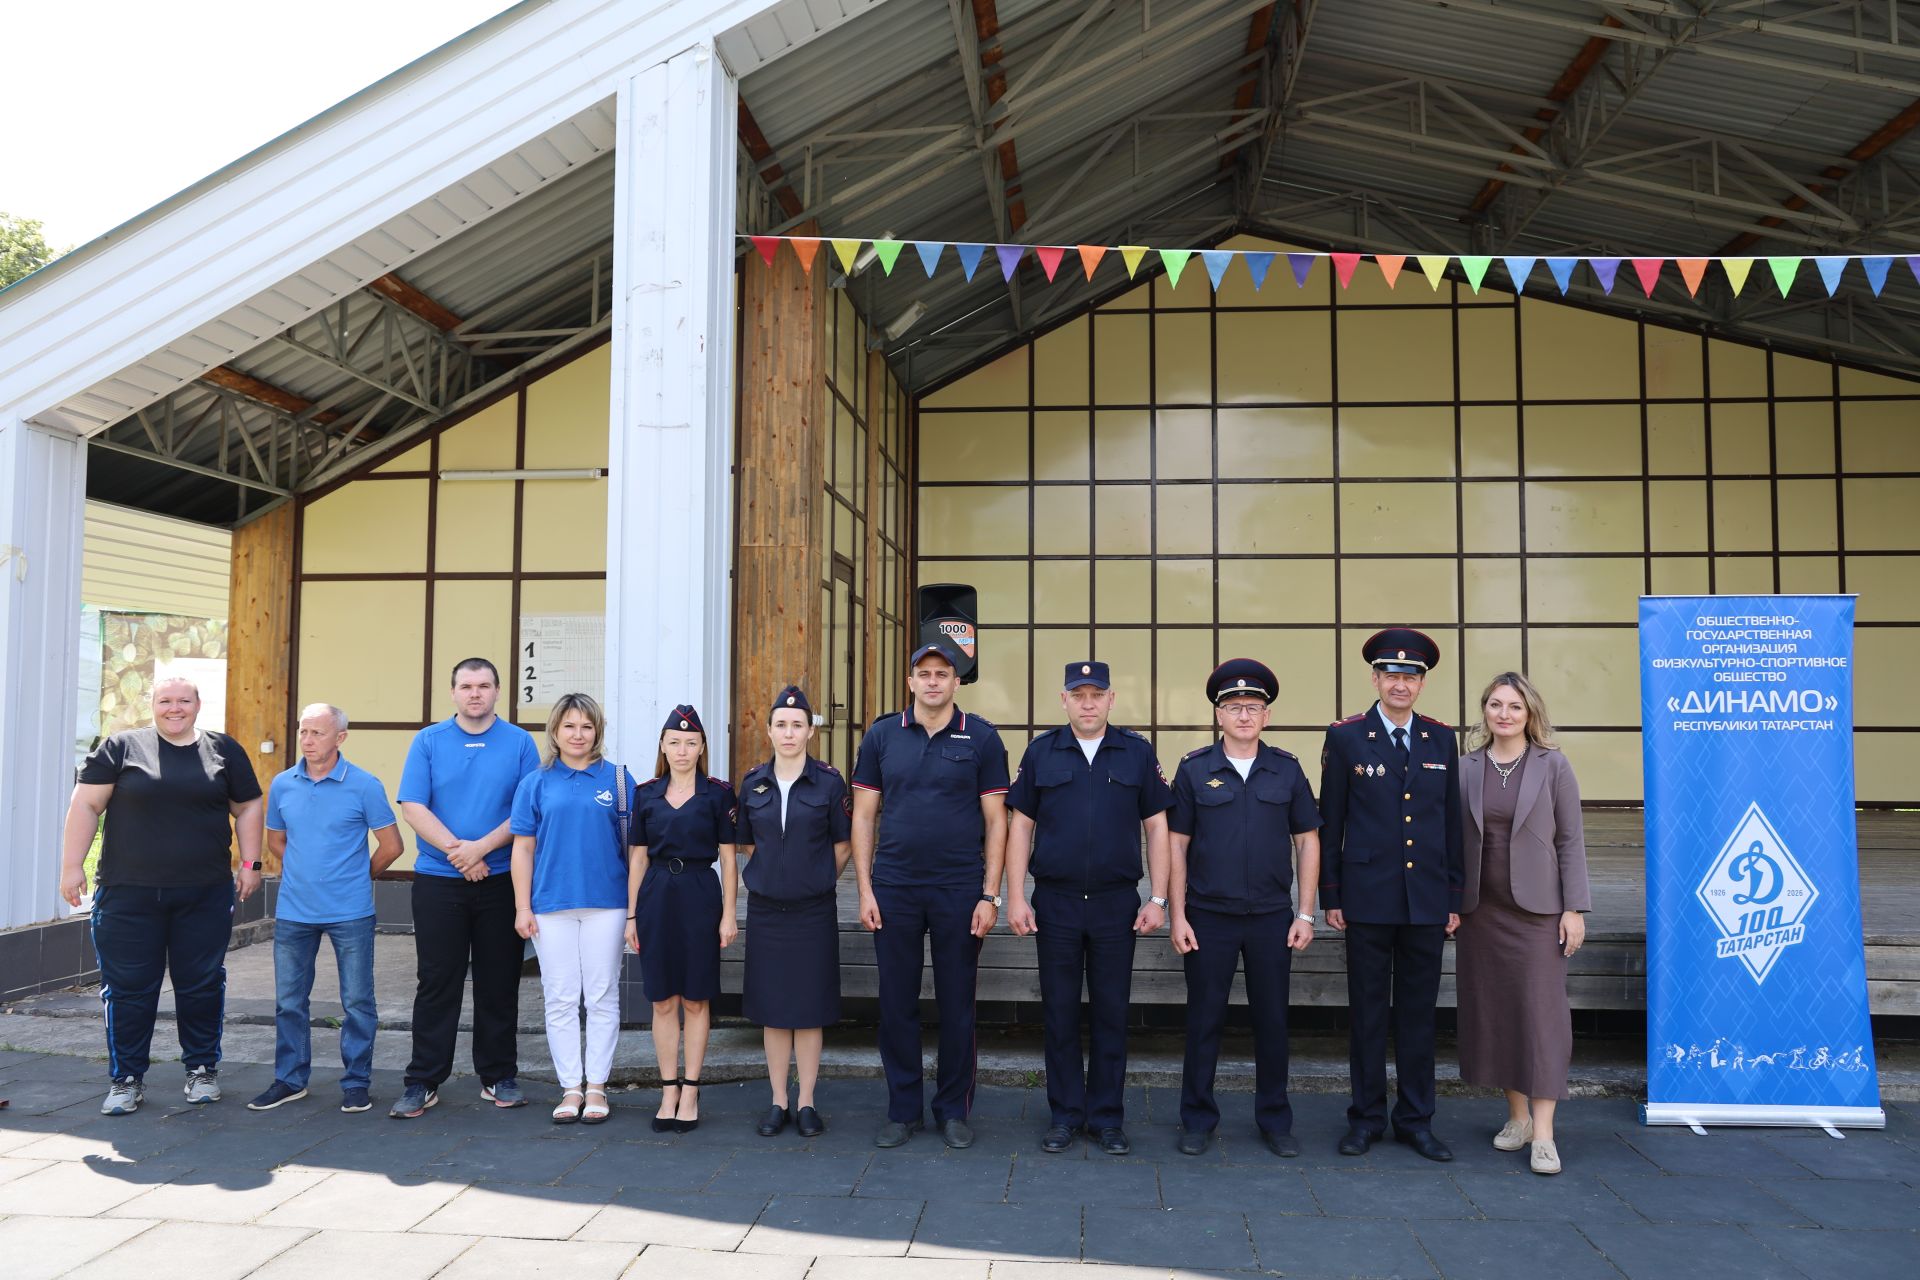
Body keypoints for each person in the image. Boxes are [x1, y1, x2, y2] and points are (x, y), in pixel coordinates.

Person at [59, 677, 265, 1115]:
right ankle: (126, 1079)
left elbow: (248, 805)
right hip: (127, 893)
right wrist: (71, 866)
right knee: (129, 989)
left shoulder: (223, 749)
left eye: (184, 700)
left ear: (197, 704)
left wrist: (251, 863)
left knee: (202, 984)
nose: (175, 708)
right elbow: (85, 805)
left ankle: (203, 1070)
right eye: (165, 700)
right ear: (151, 704)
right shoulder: (120, 747)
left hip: (203, 893)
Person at [1004, 661, 1171, 1156]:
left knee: (1112, 1014)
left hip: (1115, 904)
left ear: (1112, 699)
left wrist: (1158, 897)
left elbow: (1158, 827)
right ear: (1064, 700)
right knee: (1058, 1013)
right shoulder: (1041, 752)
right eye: (1079, 694)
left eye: (1097, 694)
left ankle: (1106, 1118)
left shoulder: (1136, 753)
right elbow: (1020, 827)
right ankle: (1064, 1115)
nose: (1088, 702)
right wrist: (1015, 895)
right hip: (1054, 903)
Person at [851, 642, 1009, 1150]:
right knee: (896, 1002)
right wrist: (866, 889)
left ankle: (952, 1110)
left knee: (957, 1003)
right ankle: (903, 1109)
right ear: (910, 680)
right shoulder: (881, 736)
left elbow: (996, 821)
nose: (934, 681)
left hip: (959, 888)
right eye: (925, 673)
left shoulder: (981, 737)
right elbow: (863, 816)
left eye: (943, 673)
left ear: (957, 681)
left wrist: (991, 895)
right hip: (894, 887)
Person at [1318, 628, 1463, 1162]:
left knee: (1419, 1016)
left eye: (1412, 676)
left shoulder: (1441, 739)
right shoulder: (1347, 736)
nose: (1401, 684)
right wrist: (1329, 893)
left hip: (1426, 898)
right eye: (1392, 675)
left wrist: (1453, 897)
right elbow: (1330, 820)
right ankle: (1366, 1118)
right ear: (1376, 679)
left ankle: (1416, 1120)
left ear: (1422, 683)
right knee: (1369, 1015)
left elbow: (1451, 824)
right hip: (1367, 895)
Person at [1168, 659, 1322, 1158]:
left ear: (1267, 716)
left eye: (1252, 708)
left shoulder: (1287, 768)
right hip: (1208, 916)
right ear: (1218, 715)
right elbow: (1176, 844)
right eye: (1233, 707)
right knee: (1204, 1019)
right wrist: (1177, 914)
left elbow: (1308, 841)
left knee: (1273, 1021)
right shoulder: (1194, 769)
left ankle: (1275, 1120)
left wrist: (1305, 912)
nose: (1243, 716)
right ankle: (1197, 1119)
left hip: (1272, 918)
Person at [392, 658, 541, 1119]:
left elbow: (527, 810)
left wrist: (480, 851)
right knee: (438, 981)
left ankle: (498, 1075)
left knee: (499, 982)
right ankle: (423, 1080)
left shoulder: (519, 744)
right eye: (465, 686)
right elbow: (412, 805)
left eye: (483, 686)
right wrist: (461, 853)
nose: (474, 693)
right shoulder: (429, 741)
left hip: (500, 881)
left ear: (498, 691)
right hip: (439, 880)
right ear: (453, 692)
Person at [1456, 671, 1591, 1176]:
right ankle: (1517, 1119)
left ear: (1529, 712)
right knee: (1498, 1015)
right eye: (1495, 705)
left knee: (1541, 1017)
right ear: (1485, 711)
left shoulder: (1553, 765)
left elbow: (1571, 841)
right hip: (1481, 912)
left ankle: (1546, 1133)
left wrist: (1574, 907)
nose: (1504, 714)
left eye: (1514, 706)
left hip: (1538, 913)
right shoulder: (1466, 767)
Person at [249, 703, 403, 1114]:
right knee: (289, 1001)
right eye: (303, 731)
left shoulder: (365, 785)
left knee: (357, 1002)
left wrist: (355, 876)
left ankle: (356, 1083)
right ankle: (290, 1079)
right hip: (294, 911)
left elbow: (392, 847)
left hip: (350, 912)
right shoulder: (283, 784)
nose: (308, 740)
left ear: (341, 738)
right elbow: (277, 842)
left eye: (318, 732)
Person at [510, 693, 634, 1125]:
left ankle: (597, 1085)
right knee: (560, 999)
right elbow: (523, 848)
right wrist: (521, 906)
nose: (578, 734)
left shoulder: (618, 779)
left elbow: (637, 850)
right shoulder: (536, 782)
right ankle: (570, 1088)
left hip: (607, 904)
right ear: (555, 732)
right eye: (569, 726)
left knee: (601, 996)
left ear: (597, 731)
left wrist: (634, 910)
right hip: (550, 905)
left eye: (586, 726)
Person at [735, 685, 851, 1138]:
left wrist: (818, 876)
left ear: (809, 731)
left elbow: (842, 845)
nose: (788, 733)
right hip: (767, 911)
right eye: (781, 725)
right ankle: (777, 1100)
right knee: (773, 1008)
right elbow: (746, 843)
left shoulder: (828, 782)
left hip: (812, 910)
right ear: (769, 731)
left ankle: (806, 1102)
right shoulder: (752, 783)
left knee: (809, 1008)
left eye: (797, 725)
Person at [625, 704, 738, 1134]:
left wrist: (729, 914)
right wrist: (632, 914)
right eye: (674, 742)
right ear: (662, 746)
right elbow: (637, 857)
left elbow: (728, 862)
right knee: (662, 999)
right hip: (656, 895)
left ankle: (691, 1088)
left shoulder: (718, 793)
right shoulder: (647, 793)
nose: (683, 749)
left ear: (703, 746)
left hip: (699, 893)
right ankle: (667, 1088)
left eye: (691, 742)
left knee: (695, 998)